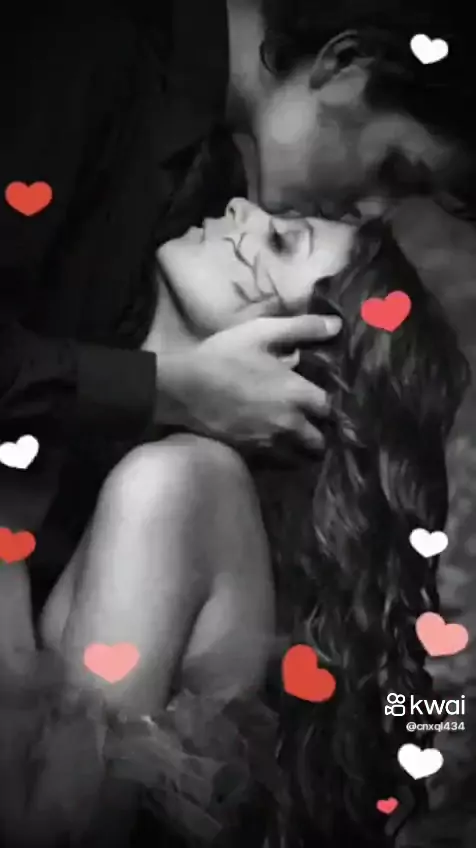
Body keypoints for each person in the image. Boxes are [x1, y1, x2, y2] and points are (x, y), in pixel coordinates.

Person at [0, 199, 469, 847]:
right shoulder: (139, 467)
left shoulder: (180, 482)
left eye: (281, 242)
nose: (240, 206)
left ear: (288, 354)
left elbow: (53, 829)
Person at [1, 0, 476, 617]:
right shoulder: (73, 53)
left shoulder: (208, 188)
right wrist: (161, 389)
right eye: (394, 171)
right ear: (346, 63)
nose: (374, 211)